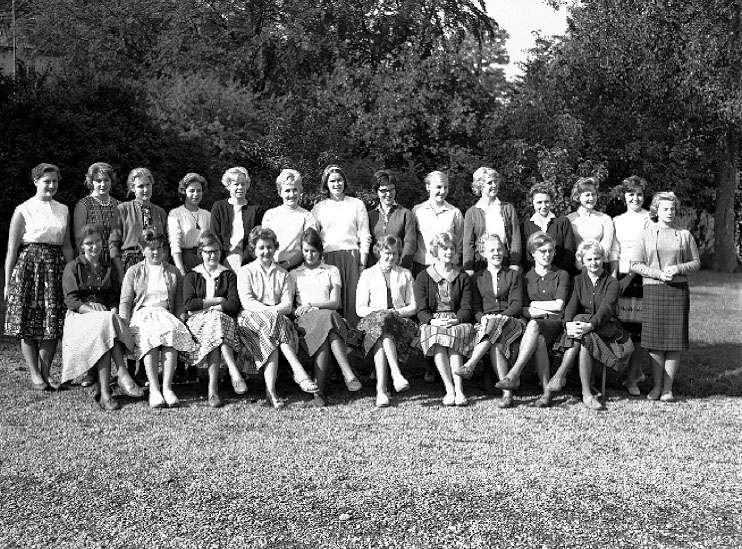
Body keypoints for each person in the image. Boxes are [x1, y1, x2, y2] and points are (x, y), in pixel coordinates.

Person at [4, 163, 74, 391]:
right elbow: (12, 250)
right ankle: (35, 374)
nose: (51, 185)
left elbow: (67, 246)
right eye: (47, 181)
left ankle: (46, 373)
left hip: (55, 268)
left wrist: (72, 274)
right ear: (36, 182)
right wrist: (7, 283)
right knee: (28, 321)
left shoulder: (63, 209)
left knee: (52, 321)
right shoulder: (23, 209)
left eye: (55, 181)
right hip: (28, 268)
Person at [60, 224, 144, 410]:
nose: (94, 246)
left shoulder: (108, 267)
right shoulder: (73, 267)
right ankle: (122, 374)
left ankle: (106, 393)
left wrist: (112, 310)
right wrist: (95, 312)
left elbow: (113, 297)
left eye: (98, 241)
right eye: (89, 243)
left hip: (104, 317)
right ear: (81, 246)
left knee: (105, 326)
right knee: (104, 325)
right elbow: (72, 301)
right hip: (80, 316)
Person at [237, 226, 319, 408]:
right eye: (261, 247)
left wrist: (273, 313)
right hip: (250, 319)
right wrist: (271, 311)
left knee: (272, 328)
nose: (266, 251)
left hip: (277, 321)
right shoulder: (245, 272)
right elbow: (248, 302)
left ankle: (271, 392)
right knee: (273, 322)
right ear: (253, 250)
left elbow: (287, 305)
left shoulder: (284, 274)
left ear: (275, 248)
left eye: (269, 247)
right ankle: (298, 371)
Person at [631, 192, 700, 402]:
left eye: (672, 209)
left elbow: (696, 262)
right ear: (656, 211)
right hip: (654, 290)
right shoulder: (645, 234)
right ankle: (656, 386)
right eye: (665, 209)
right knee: (655, 342)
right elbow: (635, 264)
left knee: (674, 341)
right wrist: (658, 274)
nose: (669, 212)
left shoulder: (684, 235)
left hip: (678, 291)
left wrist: (678, 268)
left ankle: (668, 389)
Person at [548, 241, 633, 410]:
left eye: (597, 258)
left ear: (603, 259)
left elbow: (605, 311)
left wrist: (590, 325)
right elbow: (571, 306)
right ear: (582, 261)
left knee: (583, 330)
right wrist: (568, 323)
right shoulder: (578, 280)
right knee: (583, 337)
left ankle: (560, 374)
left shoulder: (612, 283)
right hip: (583, 330)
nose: (594, 262)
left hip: (606, 327)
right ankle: (586, 394)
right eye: (589, 259)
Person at [119, 230, 195, 409]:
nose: (156, 252)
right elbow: (126, 302)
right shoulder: (134, 271)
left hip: (165, 314)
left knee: (171, 333)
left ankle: (167, 388)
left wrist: (181, 319)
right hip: (142, 314)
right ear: (142, 250)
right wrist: (124, 323)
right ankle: (154, 389)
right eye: (151, 248)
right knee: (150, 334)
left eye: (160, 247)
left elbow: (179, 303)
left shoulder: (173, 272)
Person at [495, 232, 571, 407]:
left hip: (556, 325)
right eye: (542, 251)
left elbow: (559, 305)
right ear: (533, 253)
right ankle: (546, 393)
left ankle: (514, 373)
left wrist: (535, 305)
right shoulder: (525, 278)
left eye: (550, 251)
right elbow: (523, 309)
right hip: (535, 328)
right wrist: (541, 308)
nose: (547, 255)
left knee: (534, 324)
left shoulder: (561, 275)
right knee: (539, 339)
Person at [290, 228, 361, 407]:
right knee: (327, 323)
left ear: (320, 251)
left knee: (326, 322)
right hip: (305, 321)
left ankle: (318, 392)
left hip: (328, 317)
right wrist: (301, 310)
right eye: (306, 251)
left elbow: (335, 302)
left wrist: (312, 304)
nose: (310, 255)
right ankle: (346, 372)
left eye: (313, 251)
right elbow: (291, 307)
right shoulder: (295, 274)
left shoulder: (331, 270)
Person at [456, 234, 525, 409]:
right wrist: (484, 318)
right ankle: (507, 394)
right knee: (495, 343)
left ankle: (471, 364)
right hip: (486, 323)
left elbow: (516, 304)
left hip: (511, 321)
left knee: (494, 327)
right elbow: (476, 308)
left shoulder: (513, 275)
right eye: (492, 250)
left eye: (499, 249)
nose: (496, 253)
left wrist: (500, 317)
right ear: (483, 253)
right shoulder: (477, 278)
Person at [183, 232, 250, 408]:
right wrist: (217, 301)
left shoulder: (228, 275)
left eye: (215, 251)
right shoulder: (192, 275)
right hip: (198, 325)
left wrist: (208, 308)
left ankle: (212, 390)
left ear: (221, 252)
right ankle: (234, 373)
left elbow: (233, 305)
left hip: (223, 323)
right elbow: (189, 303)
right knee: (216, 324)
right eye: (208, 252)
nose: (212, 255)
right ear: (201, 253)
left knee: (217, 322)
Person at [356, 235, 418, 407]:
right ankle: (396, 375)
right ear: (379, 252)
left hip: (400, 323)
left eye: (395, 254)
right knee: (382, 324)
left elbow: (414, 306)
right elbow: (360, 308)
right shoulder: (367, 274)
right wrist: (380, 313)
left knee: (384, 326)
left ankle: (381, 390)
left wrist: (397, 312)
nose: (391, 257)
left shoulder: (405, 274)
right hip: (372, 324)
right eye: (387, 253)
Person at [414, 232, 473, 407]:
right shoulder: (423, 277)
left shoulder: (462, 276)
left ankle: (460, 390)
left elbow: (466, 307)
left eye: (451, 248)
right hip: (433, 321)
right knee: (438, 338)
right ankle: (449, 389)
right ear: (435, 250)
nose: (448, 252)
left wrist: (457, 320)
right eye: (444, 248)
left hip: (456, 320)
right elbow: (421, 309)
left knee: (453, 338)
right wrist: (433, 321)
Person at [311, 164, 371, 326]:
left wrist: (362, 263)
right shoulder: (319, 208)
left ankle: (355, 337)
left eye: (339, 180)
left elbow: (364, 235)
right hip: (328, 260)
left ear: (344, 181)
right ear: (326, 184)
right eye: (332, 181)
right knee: (332, 301)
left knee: (353, 301)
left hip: (352, 258)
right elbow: (313, 239)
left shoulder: (356, 204)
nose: (336, 184)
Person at [610, 176, 652, 395]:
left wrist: (630, 276)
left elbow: (647, 250)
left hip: (640, 277)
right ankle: (634, 371)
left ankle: (632, 378)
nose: (635, 198)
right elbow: (614, 250)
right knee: (620, 329)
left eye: (639, 194)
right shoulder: (617, 220)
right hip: (620, 277)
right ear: (624, 196)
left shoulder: (649, 219)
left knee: (638, 332)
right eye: (631, 194)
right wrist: (614, 278)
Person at [463, 167, 521, 275]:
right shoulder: (471, 213)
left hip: (505, 260)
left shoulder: (508, 208)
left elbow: (515, 238)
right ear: (480, 186)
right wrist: (468, 267)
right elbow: (468, 243)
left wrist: (514, 262)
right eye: (489, 183)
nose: (494, 185)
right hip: (481, 263)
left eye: (496, 182)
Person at [114, 167, 169, 277]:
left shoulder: (160, 212)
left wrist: (161, 264)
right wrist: (121, 273)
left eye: (148, 184)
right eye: (140, 186)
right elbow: (114, 244)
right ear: (132, 188)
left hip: (156, 262)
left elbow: (166, 244)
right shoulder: (122, 209)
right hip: (130, 263)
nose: (145, 189)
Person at [210, 166, 264, 272]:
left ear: (247, 185)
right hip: (222, 259)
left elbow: (257, 239)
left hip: (248, 261)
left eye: (243, 184)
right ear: (228, 186)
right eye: (236, 184)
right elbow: (214, 236)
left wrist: (245, 261)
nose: (240, 187)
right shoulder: (219, 207)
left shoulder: (255, 209)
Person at [72, 162, 123, 274]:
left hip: (115, 261)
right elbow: (79, 240)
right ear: (91, 182)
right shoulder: (84, 205)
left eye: (106, 180)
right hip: (91, 260)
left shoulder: (119, 205)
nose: (103, 184)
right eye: (98, 181)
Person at [262, 169, 317, 271]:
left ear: (300, 191)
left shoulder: (307, 216)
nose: (291, 195)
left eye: (295, 190)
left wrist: (287, 265)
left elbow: (308, 246)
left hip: (298, 269)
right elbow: (264, 243)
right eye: (287, 191)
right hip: (272, 267)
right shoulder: (270, 214)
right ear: (280, 192)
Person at [411, 171, 464, 277]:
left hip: (447, 268)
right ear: (428, 187)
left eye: (446, 187)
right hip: (423, 267)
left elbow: (460, 242)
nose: (443, 191)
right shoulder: (417, 211)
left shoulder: (454, 212)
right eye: (438, 187)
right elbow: (412, 240)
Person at [521, 182, 577, 276]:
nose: (543, 206)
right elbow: (526, 256)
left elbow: (569, 252)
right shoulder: (525, 226)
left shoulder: (562, 222)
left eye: (546, 202)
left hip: (560, 276)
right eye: (539, 202)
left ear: (551, 202)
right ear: (532, 203)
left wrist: (558, 274)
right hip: (534, 278)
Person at [367, 169, 415, 270]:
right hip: (376, 272)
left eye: (391, 189)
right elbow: (367, 245)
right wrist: (374, 270)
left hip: (399, 270)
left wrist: (400, 268)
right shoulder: (370, 216)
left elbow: (410, 244)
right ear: (376, 191)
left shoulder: (405, 214)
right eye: (384, 190)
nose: (388, 194)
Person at [566, 177, 615, 271]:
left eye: (594, 194)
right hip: (575, 269)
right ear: (578, 196)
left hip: (598, 267)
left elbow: (606, 247)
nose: (591, 198)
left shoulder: (605, 219)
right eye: (587, 195)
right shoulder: (569, 220)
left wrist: (593, 261)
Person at [168, 172, 212, 276]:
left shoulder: (207, 215)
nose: (196, 194)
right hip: (185, 260)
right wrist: (180, 270)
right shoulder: (176, 214)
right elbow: (175, 243)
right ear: (184, 192)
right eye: (192, 191)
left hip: (205, 259)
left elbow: (212, 241)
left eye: (199, 191)